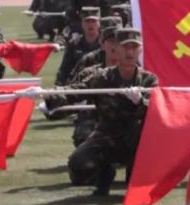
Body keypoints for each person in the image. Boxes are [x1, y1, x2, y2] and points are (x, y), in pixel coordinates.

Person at [65, 28, 159, 195]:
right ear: (116, 49)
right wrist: (47, 96)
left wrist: (141, 102)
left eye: (134, 47)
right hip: (106, 137)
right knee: (78, 166)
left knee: (142, 181)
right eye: (125, 47)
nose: (130, 52)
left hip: (136, 140)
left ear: (140, 50)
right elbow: (75, 91)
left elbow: (158, 111)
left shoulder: (149, 80)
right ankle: (105, 172)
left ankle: (135, 172)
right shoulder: (101, 78)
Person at [56, 8, 104, 86]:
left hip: (101, 83)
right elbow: (65, 68)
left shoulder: (105, 43)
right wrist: (60, 84)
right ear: (82, 23)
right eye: (87, 21)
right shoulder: (74, 43)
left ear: (99, 23)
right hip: (78, 83)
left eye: (93, 21)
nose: (90, 24)